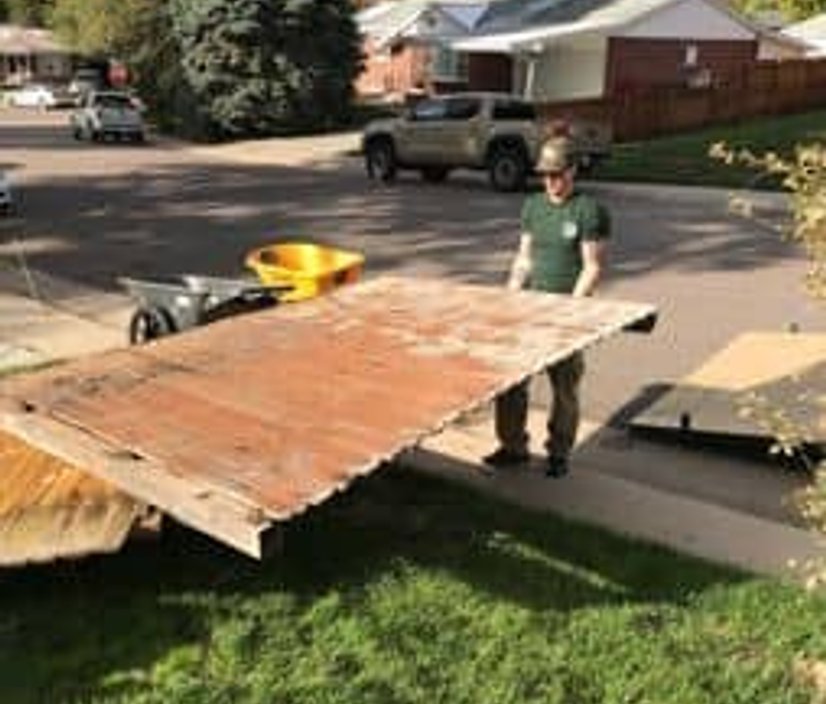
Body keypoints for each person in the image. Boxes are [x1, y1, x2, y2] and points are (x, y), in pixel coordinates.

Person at [484, 137, 610, 477]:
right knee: (511, 382)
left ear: (572, 170)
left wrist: (572, 310)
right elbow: (524, 258)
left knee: (564, 387)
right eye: (546, 175)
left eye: (558, 174)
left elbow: (592, 267)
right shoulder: (533, 207)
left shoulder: (588, 210)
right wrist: (512, 292)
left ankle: (558, 452)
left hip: (567, 313)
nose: (552, 182)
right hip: (530, 310)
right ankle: (513, 447)